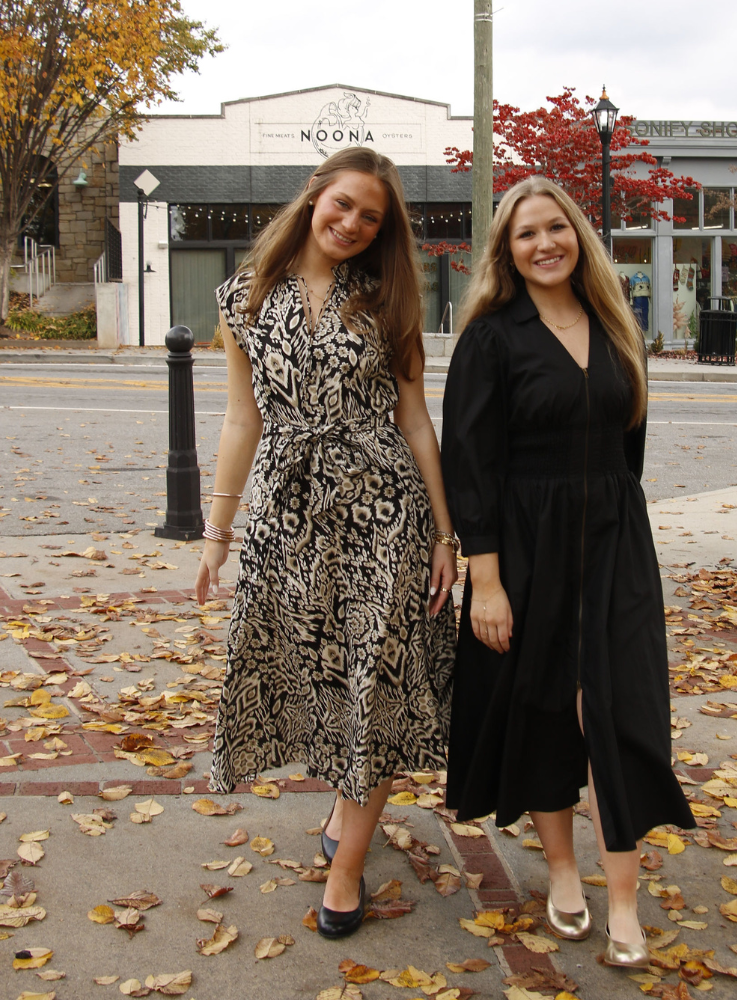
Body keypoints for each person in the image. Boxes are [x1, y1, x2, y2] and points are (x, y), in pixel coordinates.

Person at [195, 147, 457, 940]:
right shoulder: (241, 297)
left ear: (383, 229)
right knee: (320, 673)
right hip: (287, 510)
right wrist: (217, 532)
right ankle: (347, 811)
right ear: (315, 197)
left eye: (369, 216)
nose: (351, 223)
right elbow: (244, 419)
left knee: (373, 678)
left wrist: (447, 534)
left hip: (383, 510)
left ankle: (346, 872)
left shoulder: (386, 298)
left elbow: (414, 420)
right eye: (342, 205)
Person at [441, 176, 696, 967]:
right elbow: (469, 464)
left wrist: (618, 525)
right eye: (526, 234)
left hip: (615, 542)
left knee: (621, 712)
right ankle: (560, 870)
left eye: (556, 228)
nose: (544, 243)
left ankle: (623, 897)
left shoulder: (617, 327)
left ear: (578, 236)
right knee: (546, 705)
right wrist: (486, 579)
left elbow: (630, 450)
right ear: (506, 252)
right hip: (525, 546)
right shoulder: (492, 337)